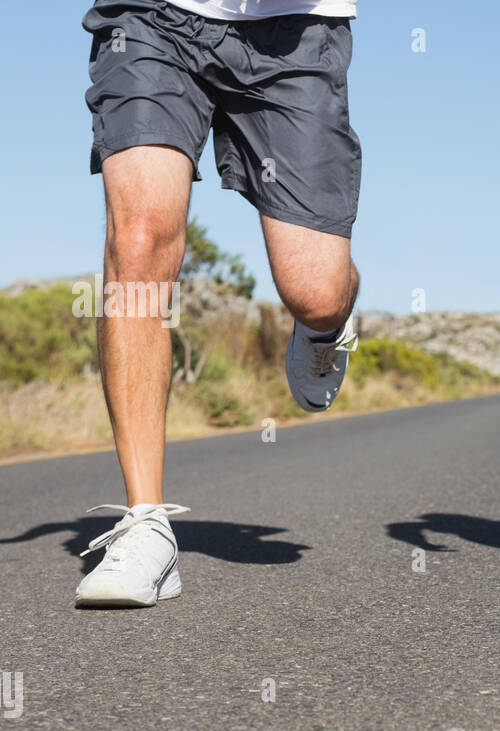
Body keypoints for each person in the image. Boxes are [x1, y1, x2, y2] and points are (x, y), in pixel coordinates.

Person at [74, 0, 362, 608]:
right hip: (153, 19)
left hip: (293, 34)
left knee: (316, 292)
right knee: (138, 244)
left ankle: (323, 327)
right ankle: (146, 523)